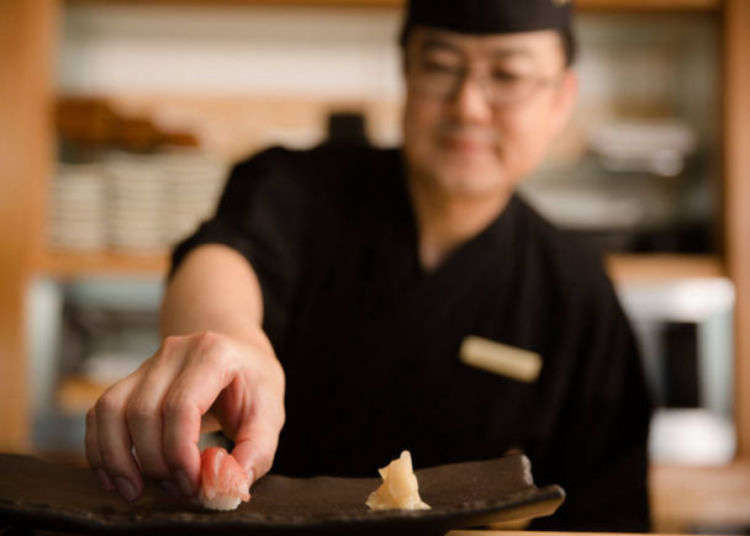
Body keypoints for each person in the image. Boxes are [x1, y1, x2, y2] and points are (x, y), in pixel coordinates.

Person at [84, 0, 652, 531]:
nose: (468, 105)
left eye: (507, 76)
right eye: (440, 65)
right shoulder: (294, 187)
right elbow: (228, 255)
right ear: (405, 74)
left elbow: (608, 514)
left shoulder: (578, 292)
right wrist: (225, 337)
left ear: (560, 99)